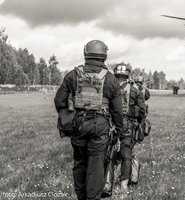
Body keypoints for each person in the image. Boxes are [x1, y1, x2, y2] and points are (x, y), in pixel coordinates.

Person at [54, 40, 123, 200]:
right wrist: (118, 130)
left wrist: (71, 115)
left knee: (79, 163)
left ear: (86, 53)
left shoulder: (73, 75)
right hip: (100, 129)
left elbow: (59, 102)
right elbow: (118, 112)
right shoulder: (111, 79)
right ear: (104, 55)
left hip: (77, 127)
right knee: (96, 166)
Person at [113, 63, 145, 193]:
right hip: (128, 125)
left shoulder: (109, 87)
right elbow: (142, 110)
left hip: (110, 125)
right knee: (126, 155)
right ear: (128, 74)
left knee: (107, 153)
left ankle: (106, 181)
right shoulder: (134, 89)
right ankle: (124, 185)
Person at [133, 75, 151, 141]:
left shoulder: (131, 87)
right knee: (142, 122)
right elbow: (147, 97)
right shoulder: (144, 90)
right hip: (142, 108)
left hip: (133, 108)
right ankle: (140, 138)